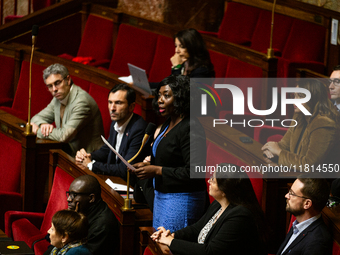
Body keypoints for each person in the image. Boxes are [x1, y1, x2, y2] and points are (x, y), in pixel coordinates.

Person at [133, 74, 208, 232]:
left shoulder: (190, 127)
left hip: (182, 201)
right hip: (163, 198)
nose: (160, 99)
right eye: (159, 95)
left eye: (166, 95)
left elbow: (195, 172)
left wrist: (156, 170)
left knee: (169, 248)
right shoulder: (168, 122)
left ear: (181, 98)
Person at [151, 165, 268, 255]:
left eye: (213, 180)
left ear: (224, 190)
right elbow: (196, 228)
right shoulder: (218, 204)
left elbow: (210, 252)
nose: (209, 181)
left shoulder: (240, 216)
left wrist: (171, 242)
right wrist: (171, 235)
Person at [75, 84, 149, 181]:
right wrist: (88, 156)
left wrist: (91, 165)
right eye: (110, 102)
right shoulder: (116, 121)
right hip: (115, 180)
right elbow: (108, 149)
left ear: (131, 107)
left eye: (118, 103)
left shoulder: (139, 129)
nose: (112, 108)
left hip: (130, 186)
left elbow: (126, 168)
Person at [262, 78, 340, 167]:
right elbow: (284, 145)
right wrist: (270, 150)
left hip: (319, 179)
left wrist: (278, 152)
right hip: (297, 174)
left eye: (300, 96)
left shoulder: (325, 124)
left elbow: (309, 164)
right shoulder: (299, 116)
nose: (295, 100)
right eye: (294, 96)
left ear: (313, 98)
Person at [31, 63, 104, 157]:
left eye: (57, 83)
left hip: (89, 158)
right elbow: (36, 118)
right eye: (50, 86)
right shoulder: (58, 98)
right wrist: (42, 124)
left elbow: (64, 136)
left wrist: (38, 130)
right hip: (70, 152)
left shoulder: (81, 102)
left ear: (68, 80)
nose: (54, 89)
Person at [44, 175, 119, 255]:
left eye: (74, 195)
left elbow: (83, 253)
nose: (68, 199)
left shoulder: (102, 225)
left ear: (91, 198)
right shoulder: (82, 210)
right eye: (69, 194)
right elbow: (50, 237)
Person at [276, 176, 332, 255]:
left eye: (292, 193)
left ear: (307, 204)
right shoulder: (298, 224)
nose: (286, 195)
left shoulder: (317, 243)